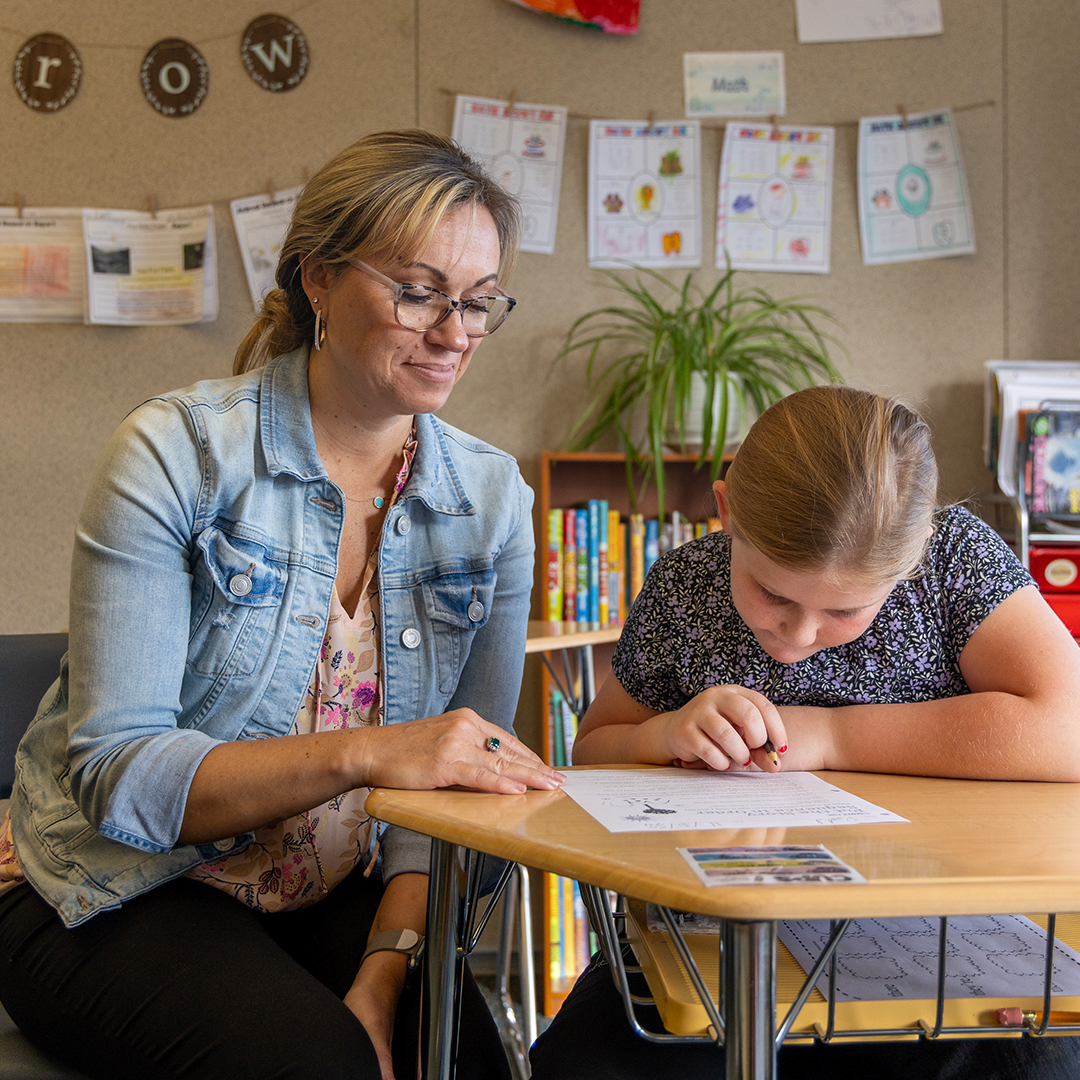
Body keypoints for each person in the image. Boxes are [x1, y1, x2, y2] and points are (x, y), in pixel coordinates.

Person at [0, 129, 563, 1080]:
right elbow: (122, 776)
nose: (454, 332)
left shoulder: (494, 503)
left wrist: (385, 978)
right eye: (419, 291)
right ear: (317, 280)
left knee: (465, 1059)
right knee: (320, 1065)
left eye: (477, 301)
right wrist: (372, 751)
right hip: (112, 884)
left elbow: (463, 799)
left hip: (324, 888)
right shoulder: (175, 453)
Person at [530, 385, 1080, 1080]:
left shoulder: (954, 561)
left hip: (943, 933)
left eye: (846, 610)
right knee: (581, 1065)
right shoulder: (684, 587)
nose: (799, 634)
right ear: (726, 514)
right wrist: (665, 733)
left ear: (910, 563)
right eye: (773, 593)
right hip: (713, 936)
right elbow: (595, 748)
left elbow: (1068, 727)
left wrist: (827, 738)